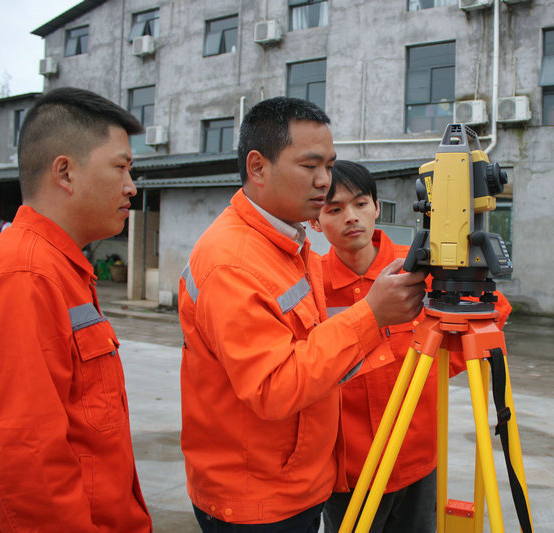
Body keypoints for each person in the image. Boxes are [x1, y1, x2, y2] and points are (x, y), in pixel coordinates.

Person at [178, 98, 427, 532]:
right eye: (310, 166)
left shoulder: (288, 243)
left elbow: (309, 352)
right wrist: (371, 316)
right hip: (256, 499)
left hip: (297, 482)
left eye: (328, 165)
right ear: (258, 167)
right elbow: (274, 386)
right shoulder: (233, 262)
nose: (324, 180)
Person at [310, 160, 511, 532]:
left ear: (376, 207)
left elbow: (492, 311)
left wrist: (435, 367)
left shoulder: (420, 266)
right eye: (334, 209)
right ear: (315, 221)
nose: (351, 217)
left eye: (360, 204)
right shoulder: (311, 285)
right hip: (350, 471)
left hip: (418, 461)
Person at [0, 88, 152, 531]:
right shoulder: (26, 275)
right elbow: (26, 462)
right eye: (120, 167)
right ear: (65, 172)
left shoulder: (61, 267)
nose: (131, 186)